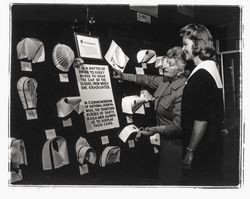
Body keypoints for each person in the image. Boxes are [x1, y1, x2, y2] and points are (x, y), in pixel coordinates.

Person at [113, 46, 187, 185]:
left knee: (171, 183)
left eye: (170, 64)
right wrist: (123, 76)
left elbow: (178, 127)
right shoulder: (165, 81)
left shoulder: (183, 89)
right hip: (165, 142)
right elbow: (146, 79)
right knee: (164, 180)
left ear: (180, 71)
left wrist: (154, 130)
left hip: (176, 146)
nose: (164, 65)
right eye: (165, 61)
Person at [179, 24, 224, 185]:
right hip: (210, 148)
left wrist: (190, 151)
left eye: (185, 44)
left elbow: (201, 120)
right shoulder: (211, 69)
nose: (183, 49)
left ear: (197, 44)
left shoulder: (200, 75)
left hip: (199, 151)